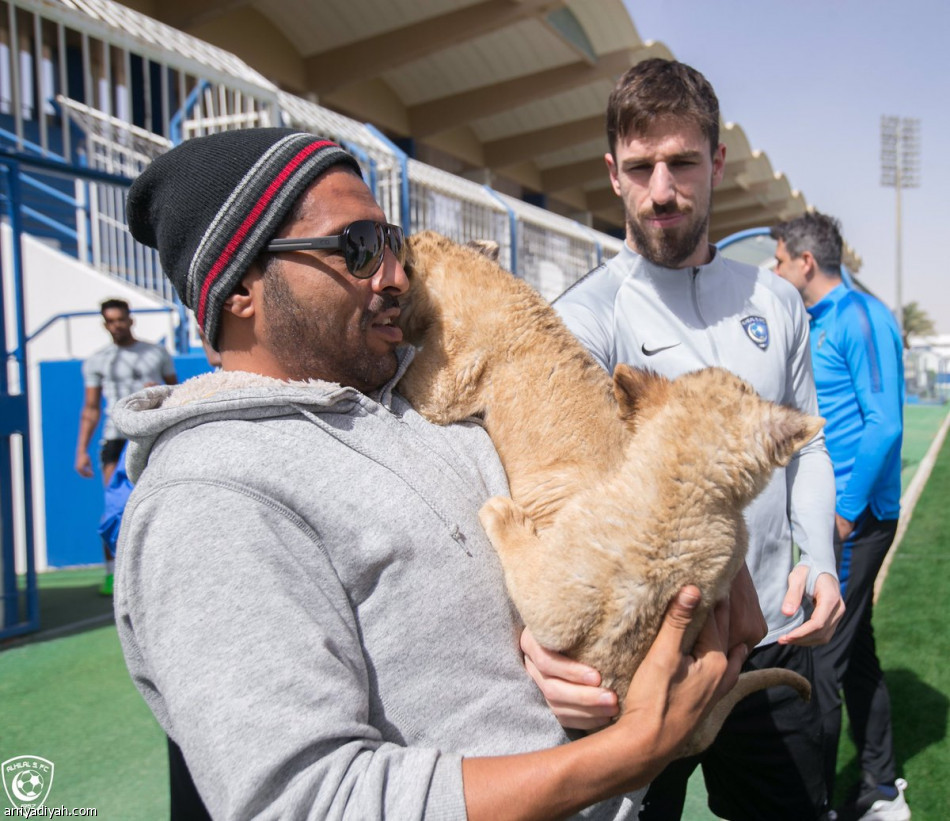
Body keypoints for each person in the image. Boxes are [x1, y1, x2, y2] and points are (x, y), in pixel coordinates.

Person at [112, 127, 760, 820]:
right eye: (358, 250)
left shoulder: (416, 397)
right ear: (240, 287)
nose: (396, 275)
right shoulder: (208, 500)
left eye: (394, 245)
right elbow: (311, 801)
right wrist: (620, 755)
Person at [547, 59, 844, 821]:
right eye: (640, 167)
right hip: (648, 663)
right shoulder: (585, 318)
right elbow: (558, 490)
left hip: (770, 637)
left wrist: (818, 560)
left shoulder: (777, 300)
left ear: (715, 161)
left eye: (681, 161)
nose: (662, 189)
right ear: (613, 173)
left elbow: (806, 445)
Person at [772, 213, 909, 821]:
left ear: (805, 262)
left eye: (779, 259)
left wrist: (846, 515)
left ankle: (816, 806)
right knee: (858, 655)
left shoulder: (860, 317)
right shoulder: (816, 321)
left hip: (857, 518)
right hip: (839, 516)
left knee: (821, 659)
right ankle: (881, 789)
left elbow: (884, 423)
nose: (774, 270)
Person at [76, 298, 177, 594]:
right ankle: (114, 575)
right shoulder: (97, 361)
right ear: (105, 324)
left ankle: (158, 569)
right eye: (111, 320)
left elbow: (176, 390)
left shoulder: (156, 354)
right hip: (116, 437)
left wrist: (157, 396)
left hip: (150, 434)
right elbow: (91, 408)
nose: (117, 325)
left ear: (130, 320)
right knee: (115, 507)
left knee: (158, 502)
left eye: (121, 319)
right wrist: (80, 449)